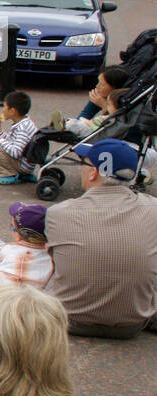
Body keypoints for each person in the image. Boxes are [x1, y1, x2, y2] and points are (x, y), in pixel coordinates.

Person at [43, 139, 157, 337]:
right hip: (132, 324)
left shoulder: (59, 213)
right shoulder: (153, 209)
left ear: (94, 172)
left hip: (69, 319)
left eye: (84, 164)